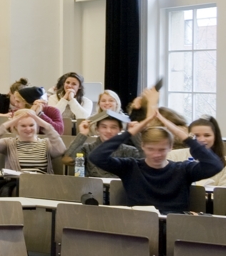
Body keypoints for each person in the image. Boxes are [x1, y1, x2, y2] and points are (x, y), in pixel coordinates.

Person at [89, 89, 225, 214]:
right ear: (142, 146)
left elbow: (214, 165)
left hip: (174, 228)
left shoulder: (183, 169)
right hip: (139, 226)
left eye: (162, 149)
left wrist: (182, 134)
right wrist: (130, 132)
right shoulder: (130, 167)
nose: (156, 154)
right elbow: (97, 156)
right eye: (151, 149)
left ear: (170, 147)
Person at [0, 108, 65, 173]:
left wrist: (45, 125)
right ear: (16, 127)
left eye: (31, 125)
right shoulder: (8, 143)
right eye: (23, 126)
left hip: (42, 185)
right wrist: (11, 122)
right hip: (17, 185)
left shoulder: (46, 143)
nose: (28, 129)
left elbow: (61, 150)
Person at [64, 110, 140, 179]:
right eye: (104, 127)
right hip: (92, 190)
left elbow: (145, 168)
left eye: (113, 127)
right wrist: (82, 134)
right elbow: (67, 159)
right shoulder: (87, 148)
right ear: (97, 129)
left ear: (120, 129)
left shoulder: (130, 151)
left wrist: (134, 134)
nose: (108, 131)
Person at [167, 116, 226, 187]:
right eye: (196, 135)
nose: (201, 139)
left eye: (207, 135)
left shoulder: (223, 162)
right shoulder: (172, 155)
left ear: (215, 137)